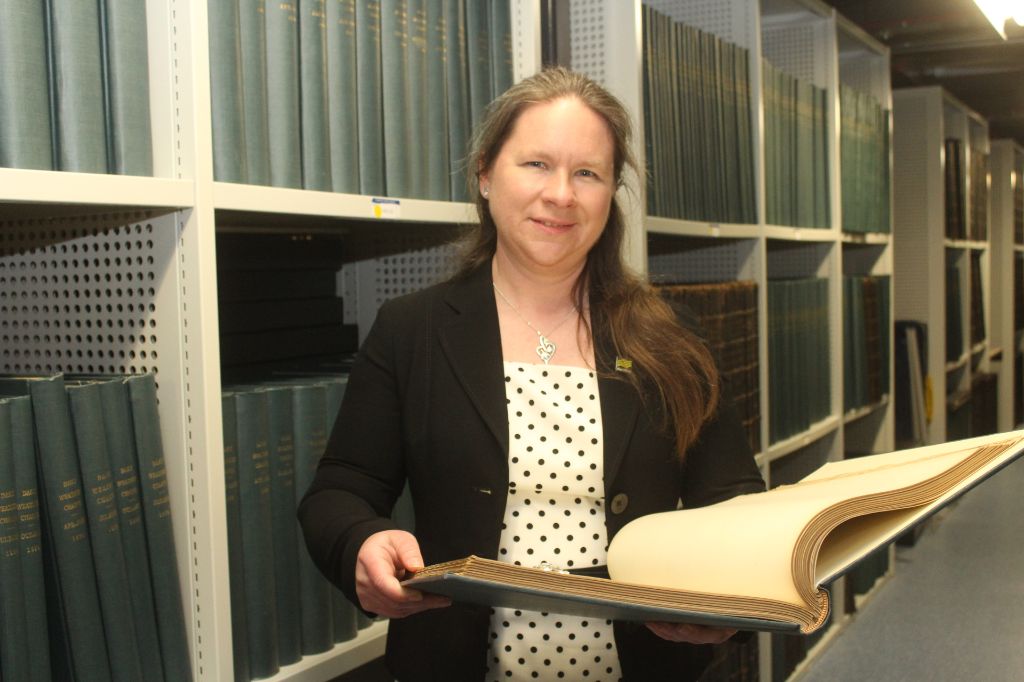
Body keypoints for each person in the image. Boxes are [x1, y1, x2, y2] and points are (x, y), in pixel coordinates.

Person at [298, 66, 765, 681]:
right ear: (486, 174)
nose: (562, 195)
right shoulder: (413, 330)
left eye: (588, 173)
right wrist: (360, 541)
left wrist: (727, 599)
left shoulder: (672, 338)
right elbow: (340, 490)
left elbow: (734, 501)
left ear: (610, 194)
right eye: (537, 165)